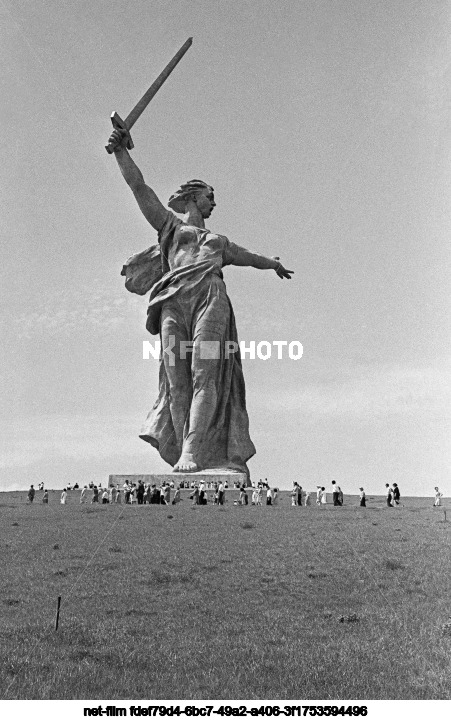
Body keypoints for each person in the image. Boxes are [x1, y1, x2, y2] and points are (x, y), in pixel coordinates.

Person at [108, 128, 293, 475]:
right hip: (172, 303)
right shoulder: (171, 229)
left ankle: (193, 450)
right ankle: (182, 450)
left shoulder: (219, 242)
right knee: (177, 380)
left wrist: (274, 264)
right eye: (210, 196)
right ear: (194, 198)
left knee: (204, 375)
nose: (214, 203)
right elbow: (139, 188)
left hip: (211, 299)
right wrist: (121, 153)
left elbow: (249, 256)